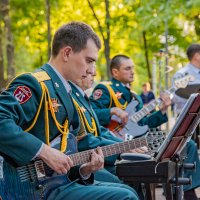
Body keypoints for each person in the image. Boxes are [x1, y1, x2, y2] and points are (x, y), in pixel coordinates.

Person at [0, 22, 139, 200]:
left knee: (129, 192)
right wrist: (43, 151)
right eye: (88, 60)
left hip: (56, 183)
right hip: (29, 189)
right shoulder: (35, 83)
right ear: (67, 53)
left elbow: (66, 151)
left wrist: (84, 169)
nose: (91, 70)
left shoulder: (64, 91)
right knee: (125, 197)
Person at [89, 54, 171, 132]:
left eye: (132, 68)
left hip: (134, 143)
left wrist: (162, 111)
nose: (132, 72)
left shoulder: (135, 97)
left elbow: (142, 123)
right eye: (127, 69)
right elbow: (90, 115)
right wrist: (113, 111)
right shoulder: (106, 88)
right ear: (115, 72)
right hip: (110, 142)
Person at [172, 43, 200, 200]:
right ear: (196, 55)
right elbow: (176, 96)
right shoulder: (182, 74)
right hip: (187, 119)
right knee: (188, 150)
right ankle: (187, 190)